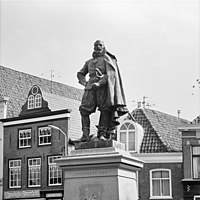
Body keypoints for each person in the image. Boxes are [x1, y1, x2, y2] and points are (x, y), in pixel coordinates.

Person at [77, 40, 128, 142]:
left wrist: (100, 82)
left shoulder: (107, 60)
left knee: (105, 110)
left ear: (104, 47)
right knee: (83, 111)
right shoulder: (89, 62)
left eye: (100, 45)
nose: (98, 47)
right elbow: (80, 73)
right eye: (96, 45)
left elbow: (111, 75)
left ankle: (102, 133)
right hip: (90, 88)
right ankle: (85, 135)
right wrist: (85, 83)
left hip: (103, 88)